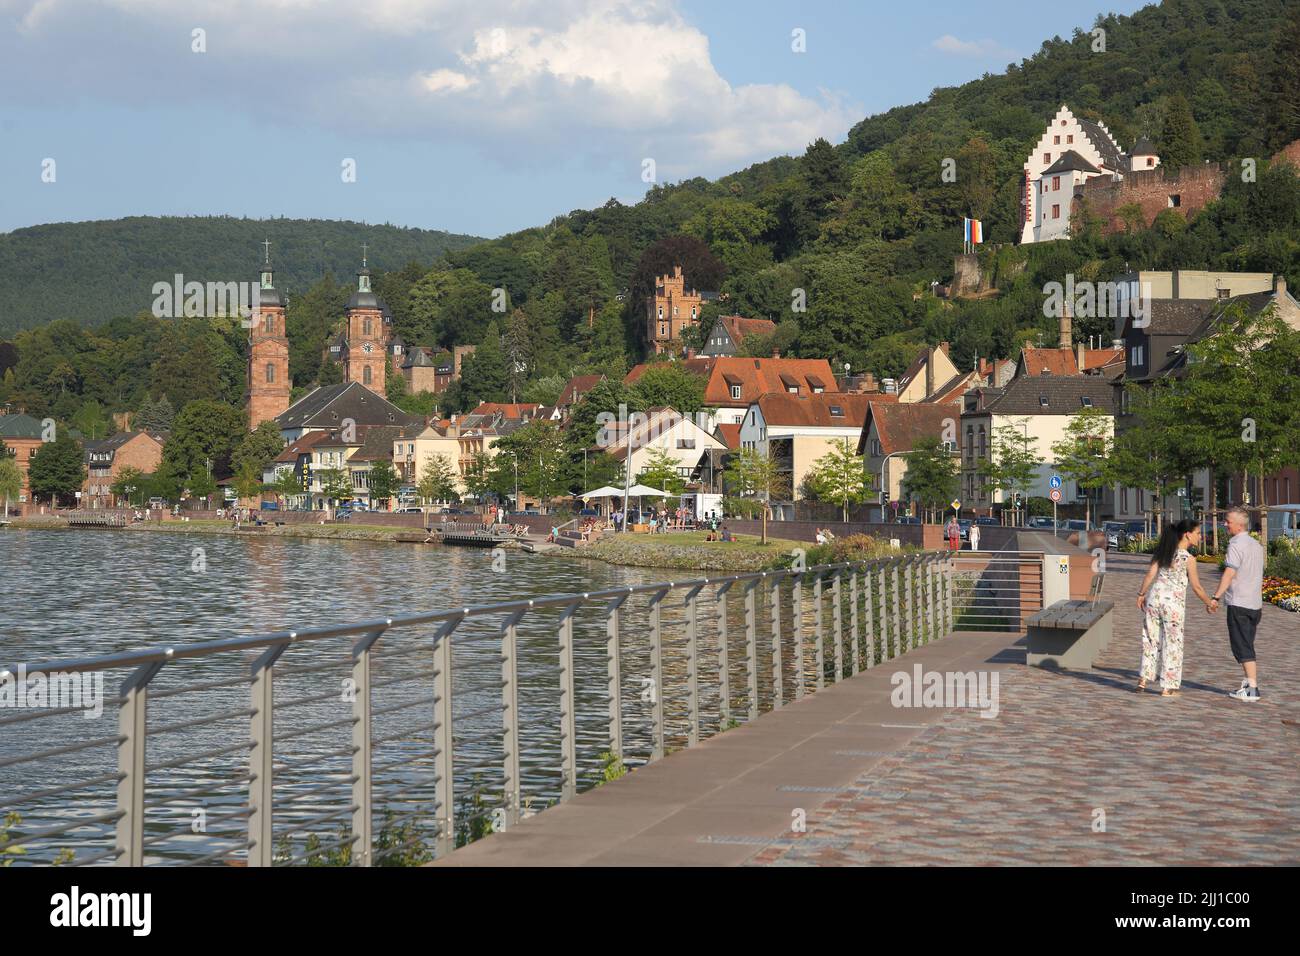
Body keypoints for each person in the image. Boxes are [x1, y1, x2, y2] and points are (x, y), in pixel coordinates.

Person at [1136, 519, 1213, 697]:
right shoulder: (1188, 559)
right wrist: (1210, 603)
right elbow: (1197, 587)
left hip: (1154, 599)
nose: (1200, 537)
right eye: (1198, 533)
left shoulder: (1163, 552)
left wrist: (1141, 594)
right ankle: (1168, 687)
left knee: (1150, 639)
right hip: (1173, 606)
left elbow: (1150, 575)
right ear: (1187, 534)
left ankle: (1144, 679)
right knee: (1173, 643)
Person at [1210, 506, 1265, 701]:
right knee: (1246, 643)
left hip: (1239, 602)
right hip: (1255, 603)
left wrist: (1216, 597)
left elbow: (1230, 572)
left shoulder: (1236, 544)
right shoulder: (1256, 545)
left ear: (1239, 525)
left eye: (1228, 522)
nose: (1225, 524)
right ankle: (1249, 684)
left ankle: (1252, 688)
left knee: (1242, 646)